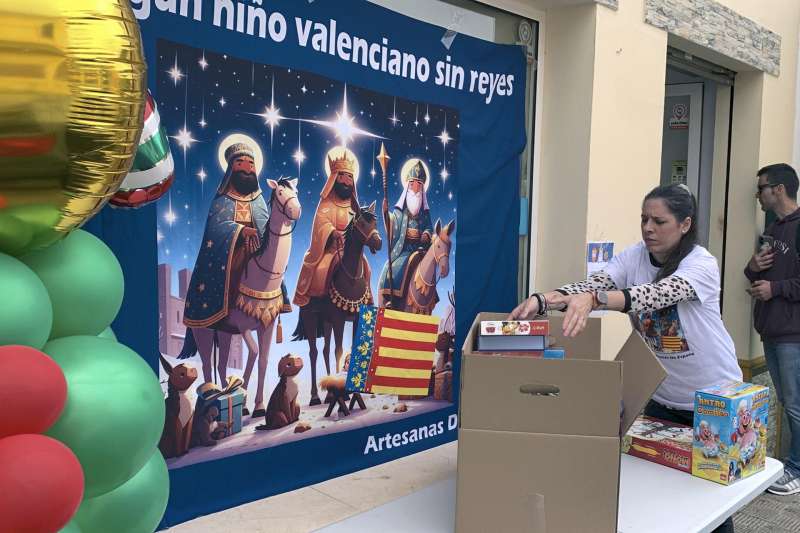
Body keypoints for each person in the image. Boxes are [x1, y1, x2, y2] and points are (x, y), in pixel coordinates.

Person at [511, 183, 741, 533]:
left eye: (659, 221)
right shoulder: (633, 257)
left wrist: (596, 300)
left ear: (685, 224)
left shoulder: (701, 265)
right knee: (660, 491)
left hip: (713, 400)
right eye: (644, 219)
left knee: (710, 501)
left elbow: (656, 294)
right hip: (661, 397)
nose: (648, 228)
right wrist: (544, 299)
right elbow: (597, 282)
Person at [744, 163, 800, 496]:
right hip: (770, 328)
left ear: (778, 189)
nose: (758, 195)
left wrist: (774, 289)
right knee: (787, 401)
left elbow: (780, 285)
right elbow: (755, 276)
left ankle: (796, 468)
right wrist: (752, 268)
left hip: (793, 334)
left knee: (794, 404)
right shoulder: (774, 229)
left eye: (761, 188)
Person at [293, 148, 363, 308]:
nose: (346, 181)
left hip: (351, 251)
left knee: (365, 268)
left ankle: (365, 299)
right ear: (334, 178)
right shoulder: (326, 203)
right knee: (322, 270)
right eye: (342, 176)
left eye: (350, 177)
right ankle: (320, 302)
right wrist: (331, 231)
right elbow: (321, 222)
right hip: (331, 249)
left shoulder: (354, 207)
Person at [378, 159, 434, 308]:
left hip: (420, 249)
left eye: (418, 184)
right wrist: (385, 213)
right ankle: (392, 299)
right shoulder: (400, 210)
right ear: (408, 186)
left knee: (429, 271)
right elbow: (392, 223)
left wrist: (427, 234)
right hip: (403, 248)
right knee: (395, 268)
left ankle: (430, 299)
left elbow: (430, 227)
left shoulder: (425, 212)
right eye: (412, 183)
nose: (415, 188)